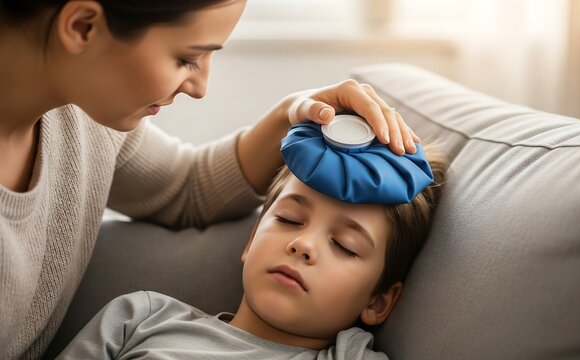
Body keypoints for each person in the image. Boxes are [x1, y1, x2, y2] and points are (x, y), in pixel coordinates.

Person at [0, 1, 422, 359]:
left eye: (345, 246)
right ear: (83, 26)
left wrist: (295, 111)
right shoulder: (143, 320)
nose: (201, 86)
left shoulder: (87, 124)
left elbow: (189, 188)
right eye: (187, 57)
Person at [55, 140, 448, 359]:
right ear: (251, 240)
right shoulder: (141, 318)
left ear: (378, 302)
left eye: (345, 246)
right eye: (291, 220)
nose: (302, 244)